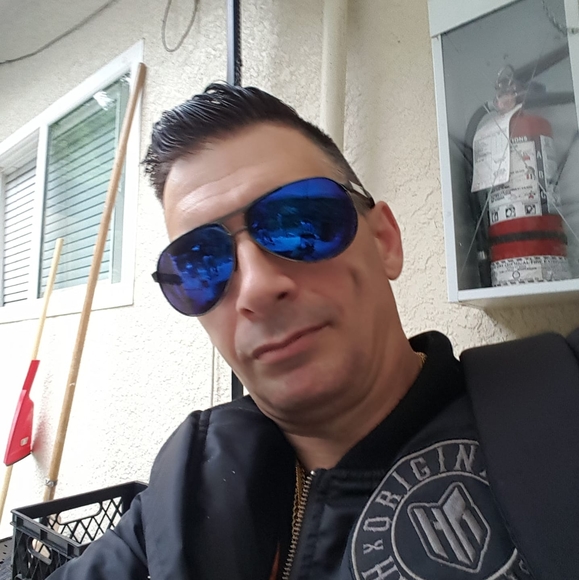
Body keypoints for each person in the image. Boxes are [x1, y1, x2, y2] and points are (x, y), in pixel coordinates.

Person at [47, 83, 574, 580]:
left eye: (300, 221)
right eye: (201, 262)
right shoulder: (182, 500)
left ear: (385, 241)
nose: (256, 289)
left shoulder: (559, 405)